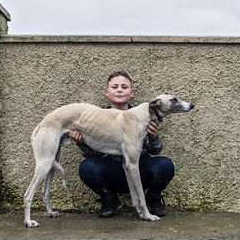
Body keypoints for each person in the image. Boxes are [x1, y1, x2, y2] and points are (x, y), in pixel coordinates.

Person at [70, 71, 175, 218]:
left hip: (138, 169)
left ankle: (153, 197)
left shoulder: (142, 114)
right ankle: (110, 199)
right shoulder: (97, 116)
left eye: (124, 87)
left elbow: (154, 150)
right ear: (107, 92)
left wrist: (153, 137)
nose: (119, 89)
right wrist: (82, 143)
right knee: (86, 167)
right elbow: (92, 154)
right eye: (115, 87)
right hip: (111, 171)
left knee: (166, 165)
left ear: (131, 93)